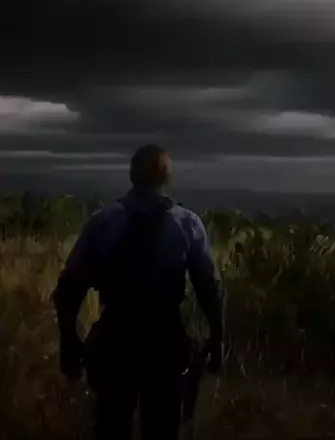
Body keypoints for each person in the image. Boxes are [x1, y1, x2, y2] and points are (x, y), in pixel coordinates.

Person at [53, 144, 225, 440]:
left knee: (111, 427)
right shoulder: (188, 224)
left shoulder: (103, 221)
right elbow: (209, 286)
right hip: (165, 342)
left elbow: (68, 289)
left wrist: (69, 341)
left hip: (115, 341)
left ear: (132, 175)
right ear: (167, 177)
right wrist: (218, 336)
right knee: (162, 429)